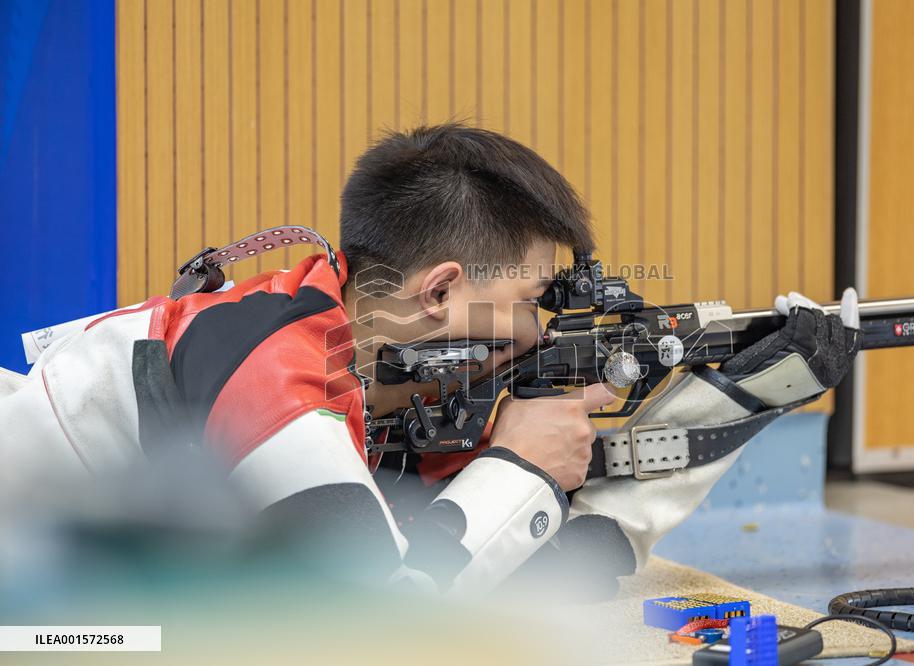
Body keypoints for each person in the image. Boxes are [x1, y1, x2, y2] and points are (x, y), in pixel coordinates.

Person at [0, 124, 859, 596]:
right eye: (529, 299)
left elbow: (553, 567)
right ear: (441, 292)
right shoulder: (279, 366)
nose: (535, 330)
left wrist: (735, 401)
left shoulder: (381, 363)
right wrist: (519, 464)